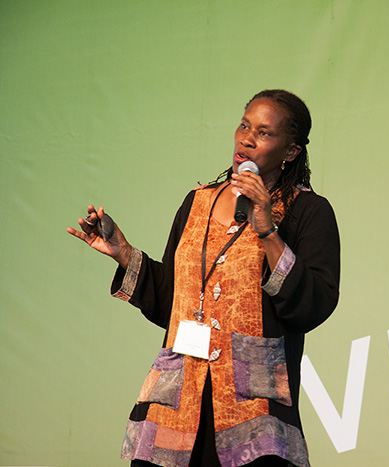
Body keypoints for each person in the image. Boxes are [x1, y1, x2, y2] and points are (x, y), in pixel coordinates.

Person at [67, 89, 341, 467]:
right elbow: (172, 302)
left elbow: (314, 305)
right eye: (244, 125)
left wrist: (268, 230)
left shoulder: (308, 211)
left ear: (291, 151)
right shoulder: (198, 201)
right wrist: (124, 253)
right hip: (177, 403)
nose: (246, 138)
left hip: (252, 413)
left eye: (263, 133)